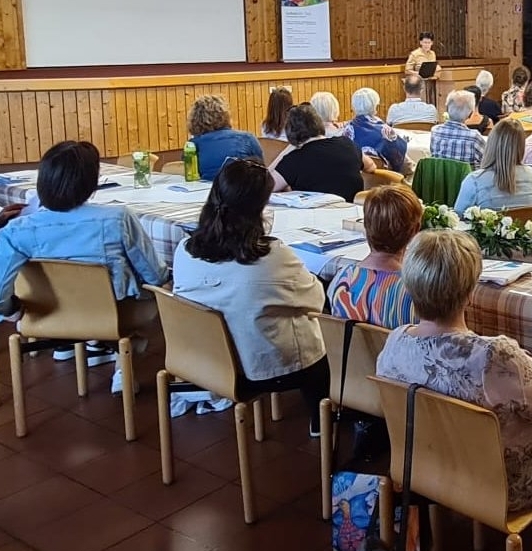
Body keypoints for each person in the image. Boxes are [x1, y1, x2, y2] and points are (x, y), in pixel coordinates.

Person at [376, 230, 532, 512]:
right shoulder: (493, 356)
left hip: (429, 469)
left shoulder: (395, 342)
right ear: (471, 293)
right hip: (500, 486)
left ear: (408, 287)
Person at [173, 159, 328, 435]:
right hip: (262, 368)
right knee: (323, 341)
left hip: (205, 360)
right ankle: (321, 419)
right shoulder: (272, 257)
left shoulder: (184, 250)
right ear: (259, 210)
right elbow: (316, 301)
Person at [0, 141, 168, 371]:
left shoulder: (15, 231)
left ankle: (100, 348)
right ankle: (122, 361)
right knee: (157, 292)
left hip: (46, 314)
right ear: (91, 182)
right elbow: (154, 275)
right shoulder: (117, 218)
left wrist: (14, 310)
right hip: (115, 313)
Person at [328, 184, 421, 329]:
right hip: (395, 352)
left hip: (349, 351)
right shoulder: (418, 293)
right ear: (415, 230)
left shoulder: (341, 280)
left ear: (365, 226)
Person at [271, 104, 371, 202]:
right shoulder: (347, 143)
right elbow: (371, 166)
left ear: (290, 132)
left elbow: (266, 187)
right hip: (353, 213)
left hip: (314, 215)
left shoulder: (294, 159)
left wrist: (286, 151)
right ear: (319, 123)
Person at [454, 119, 532, 214]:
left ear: (491, 143)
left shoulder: (474, 180)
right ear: (521, 146)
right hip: (521, 227)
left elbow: (458, 217)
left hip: (486, 228)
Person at [187, 95, 264, 181]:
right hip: (243, 190)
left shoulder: (192, 146)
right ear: (225, 116)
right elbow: (262, 170)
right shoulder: (246, 139)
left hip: (208, 191)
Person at [343, 87, 409, 173]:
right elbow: (400, 159)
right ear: (375, 106)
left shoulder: (346, 130)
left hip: (357, 180)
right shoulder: (386, 130)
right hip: (385, 180)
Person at [430, 90, 486, 166]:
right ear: (470, 114)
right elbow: (487, 160)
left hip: (440, 177)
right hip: (467, 177)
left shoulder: (435, 131)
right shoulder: (474, 137)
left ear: (447, 109)